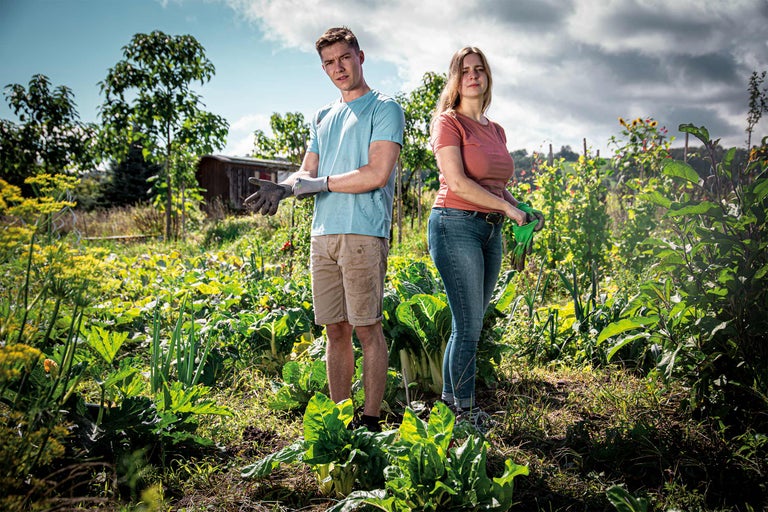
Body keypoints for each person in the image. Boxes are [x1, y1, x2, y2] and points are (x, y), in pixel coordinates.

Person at [245, 26, 405, 432]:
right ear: (323, 68)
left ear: (360, 56)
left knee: (367, 327)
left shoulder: (384, 108)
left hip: (363, 232)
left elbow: (377, 172)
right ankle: (340, 420)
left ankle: (369, 422)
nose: (339, 68)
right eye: (329, 63)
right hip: (322, 234)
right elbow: (308, 171)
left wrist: (321, 185)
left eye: (344, 58)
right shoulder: (322, 115)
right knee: (335, 328)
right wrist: (284, 187)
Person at [428, 47, 527, 431]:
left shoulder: (495, 129)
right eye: (464, 70)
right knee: (468, 326)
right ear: (454, 79)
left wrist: (520, 208)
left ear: (487, 77)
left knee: (467, 322)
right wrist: (507, 210)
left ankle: (451, 406)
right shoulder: (448, 122)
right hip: (454, 224)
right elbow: (458, 182)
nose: (473, 76)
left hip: (490, 229)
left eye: (479, 69)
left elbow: (496, 187)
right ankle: (467, 414)